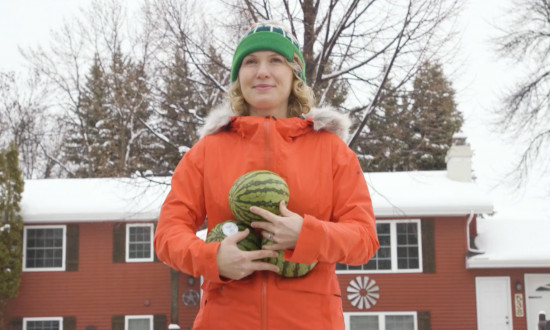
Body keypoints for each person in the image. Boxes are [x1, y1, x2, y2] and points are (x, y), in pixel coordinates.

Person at [154, 21, 379, 330]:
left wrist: (307, 235)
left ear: (294, 74)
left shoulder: (331, 150)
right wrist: (213, 258)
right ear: (238, 77)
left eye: (275, 60)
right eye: (250, 62)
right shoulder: (207, 152)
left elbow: (364, 239)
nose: (262, 71)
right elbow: (168, 235)